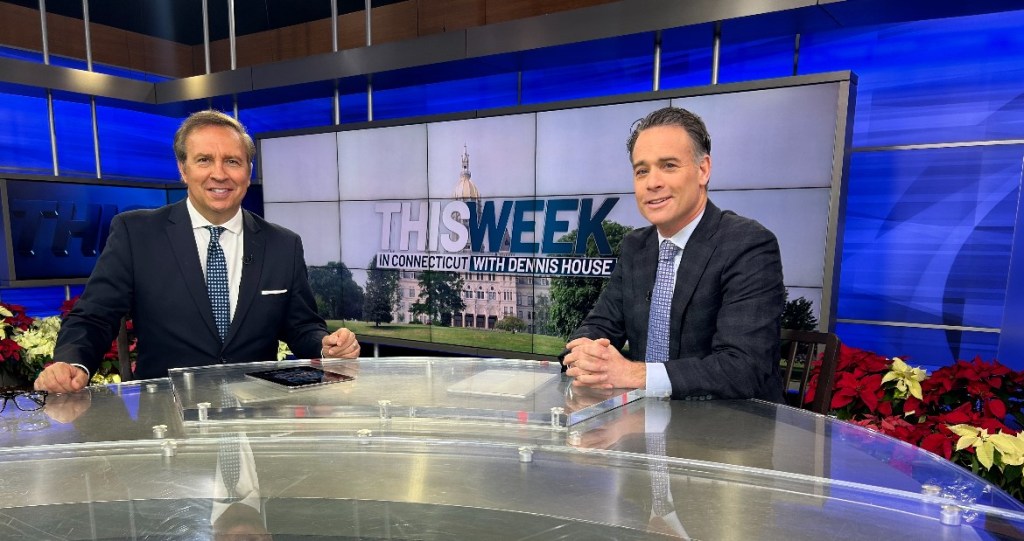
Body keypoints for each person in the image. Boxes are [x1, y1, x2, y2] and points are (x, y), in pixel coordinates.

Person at [35, 110, 359, 393]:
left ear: (248, 171)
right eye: (204, 160)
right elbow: (94, 316)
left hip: (257, 415)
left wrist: (326, 346)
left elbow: (301, 326)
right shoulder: (136, 233)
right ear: (183, 169)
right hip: (168, 416)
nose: (219, 174)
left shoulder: (283, 244)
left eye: (232, 161)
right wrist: (73, 363)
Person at [562, 106, 784, 401]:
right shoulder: (635, 246)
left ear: (703, 170)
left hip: (730, 423)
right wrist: (584, 352)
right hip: (644, 419)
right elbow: (599, 325)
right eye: (642, 171)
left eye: (668, 165)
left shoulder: (748, 244)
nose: (652, 183)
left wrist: (634, 375)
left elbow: (742, 369)